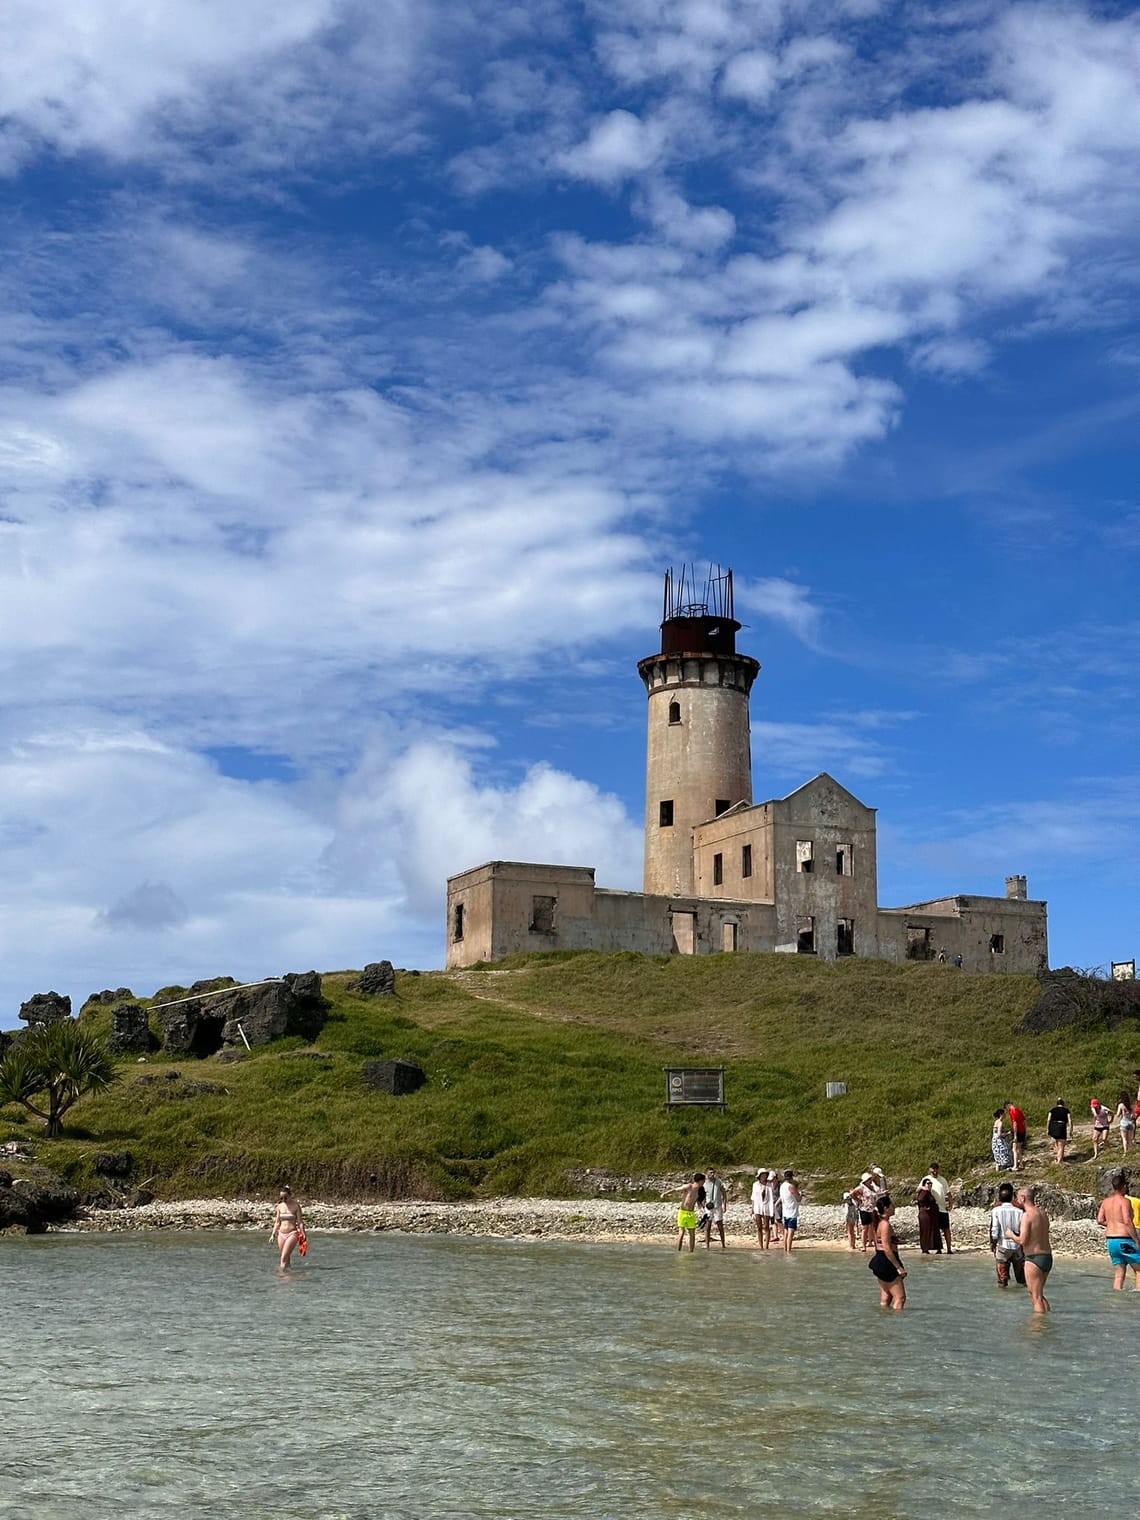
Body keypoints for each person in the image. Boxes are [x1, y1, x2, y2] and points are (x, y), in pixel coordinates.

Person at [1010, 1185, 1053, 1313]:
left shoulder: (1027, 1216)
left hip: (1034, 1258)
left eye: (1018, 1199)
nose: (1017, 1201)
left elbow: (1022, 1240)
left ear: (1023, 1198)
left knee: (1035, 1296)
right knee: (1039, 1294)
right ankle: (1047, 1319)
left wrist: (1010, 1235)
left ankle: (1038, 1326)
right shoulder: (1043, 1214)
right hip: (1047, 1257)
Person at [1095, 1171, 1140, 1290]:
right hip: (1125, 1240)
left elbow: (1099, 1220)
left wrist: (1113, 1223)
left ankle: (1116, 1303)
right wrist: (1136, 1240)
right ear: (1124, 1186)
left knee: (1119, 1274)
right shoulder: (1125, 1201)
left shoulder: (1105, 1202)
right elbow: (1127, 1221)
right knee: (1139, 1270)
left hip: (1111, 1240)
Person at [868, 1194, 906, 1309]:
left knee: (886, 1295)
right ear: (886, 1208)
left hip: (879, 1259)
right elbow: (886, 1247)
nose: (894, 1208)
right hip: (886, 1261)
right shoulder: (885, 1224)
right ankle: (897, 1323)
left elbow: (878, 1243)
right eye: (892, 1206)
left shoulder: (877, 1223)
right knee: (900, 1298)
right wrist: (898, 1267)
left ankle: (884, 1320)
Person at [989, 1181, 1026, 1288]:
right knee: (1021, 1279)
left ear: (999, 1197)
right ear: (1012, 1197)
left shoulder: (996, 1210)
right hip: (1017, 1246)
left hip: (1003, 1246)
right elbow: (1022, 1230)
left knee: (1002, 1280)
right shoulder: (1019, 1211)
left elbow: (994, 1231)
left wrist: (993, 1244)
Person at [666, 1172, 706, 1252]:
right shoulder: (689, 1186)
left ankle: (691, 1252)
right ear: (700, 1181)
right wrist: (665, 1193)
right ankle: (678, 1251)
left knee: (692, 1234)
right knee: (681, 1233)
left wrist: (703, 1210)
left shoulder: (700, 1191)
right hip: (682, 1212)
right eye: (703, 1181)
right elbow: (676, 1189)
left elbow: (699, 1204)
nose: (704, 1183)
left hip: (691, 1214)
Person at [270, 1185, 305, 1270]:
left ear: (290, 1195)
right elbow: (277, 1222)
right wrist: (273, 1234)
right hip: (281, 1234)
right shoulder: (279, 1206)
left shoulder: (296, 1206)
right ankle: (288, 1277)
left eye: (285, 1197)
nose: (283, 1200)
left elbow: (300, 1222)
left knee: (283, 1258)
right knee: (286, 1257)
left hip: (292, 1233)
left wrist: (303, 1233)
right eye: (281, 1198)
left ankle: (281, 1276)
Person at [926, 1163, 953, 1254]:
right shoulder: (926, 1179)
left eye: (936, 1169)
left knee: (946, 1229)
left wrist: (951, 1203)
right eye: (933, 1169)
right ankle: (938, 1249)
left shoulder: (943, 1180)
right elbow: (919, 1190)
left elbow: (948, 1193)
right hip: (933, 1209)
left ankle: (949, 1248)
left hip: (943, 1208)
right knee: (936, 1230)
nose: (935, 1171)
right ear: (929, 1170)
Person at [914, 1175, 941, 1254]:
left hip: (931, 1214)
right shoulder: (924, 1192)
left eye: (930, 1183)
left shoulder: (929, 1193)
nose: (929, 1185)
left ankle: (936, 1247)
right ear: (924, 1184)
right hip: (925, 1214)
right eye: (928, 1183)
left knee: (934, 1230)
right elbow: (920, 1199)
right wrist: (926, 1207)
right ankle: (925, 1248)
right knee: (926, 1231)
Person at [703, 1167, 727, 1250]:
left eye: (713, 1172)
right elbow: (701, 1195)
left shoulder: (718, 1182)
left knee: (720, 1225)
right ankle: (707, 1245)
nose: (712, 1174)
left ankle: (723, 1244)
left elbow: (723, 1193)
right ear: (706, 1174)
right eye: (710, 1173)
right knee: (708, 1225)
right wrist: (702, 1204)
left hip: (718, 1206)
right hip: (708, 1206)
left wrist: (725, 1204)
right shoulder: (704, 1183)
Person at [852, 1172, 877, 1251]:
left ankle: (874, 1243)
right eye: (869, 1179)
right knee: (865, 1228)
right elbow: (852, 1193)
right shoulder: (861, 1187)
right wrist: (859, 1200)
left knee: (873, 1227)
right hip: (864, 1209)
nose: (870, 1180)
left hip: (872, 1208)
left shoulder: (872, 1187)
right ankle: (864, 1246)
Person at [778, 1169, 801, 1252]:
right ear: (791, 1177)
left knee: (786, 1232)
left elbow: (781, 1198)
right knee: (790, 1233)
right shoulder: (791, 1186)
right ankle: (788, 1251)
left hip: (785, 1211)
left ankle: (785, 1250)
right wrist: (800, 1194)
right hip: (792, 1212)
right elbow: (798, 1198)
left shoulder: (782, 1186)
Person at [1046, 1099, 1072, 1164]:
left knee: (1056, 1143)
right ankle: (1059, 1161)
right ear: (1063, 1104)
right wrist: (1070, 1130)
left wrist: (1047, 1128)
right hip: (1061, 1126)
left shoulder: (1052, 1110)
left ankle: (1057, 1157)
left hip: (1053, 1126)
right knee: (1061, 1145)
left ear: (1057, 1104)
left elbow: (1048, 1119)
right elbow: (1070, 1120)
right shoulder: (1066, 1110)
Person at [751, 1168, 770, 1248]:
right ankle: (761, 1245)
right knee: (759, 1227)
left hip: (766, 1206)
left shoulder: (769, 1185)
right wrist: (752, 1209)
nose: (764, 1176)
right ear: (759, 1176)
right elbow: (753, 1197)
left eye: (765, 1175)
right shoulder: (755, 1185)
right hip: (757, 1207)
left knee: (766, 1226)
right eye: (762, 1175)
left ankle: (766, 1246)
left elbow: (771, 1198)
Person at [1005, 1102, 1027, 1170]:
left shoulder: (1012, 1112)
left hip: (1017, 1132)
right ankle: (1021, 1163)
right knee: (1019, 1148)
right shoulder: (1018, 1110)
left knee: (1014, 1149)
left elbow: (1014, 1123)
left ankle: (1015, 1165)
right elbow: (1024, 1121)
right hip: (1022, 1131)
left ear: (1007, 1106)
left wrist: (1015, 1135)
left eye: (1006, 1108)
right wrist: (1025, 1130)